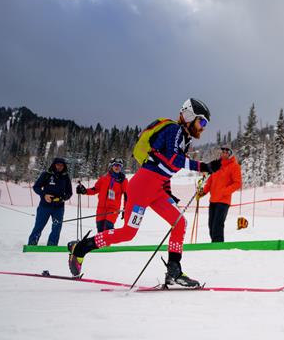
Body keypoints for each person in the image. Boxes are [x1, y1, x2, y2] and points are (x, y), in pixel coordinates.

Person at [67, 98, 222, 287]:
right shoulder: (175, 130)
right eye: (202, 121)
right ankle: (81, 248)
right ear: (189, 116)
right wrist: (203, 166)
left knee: (179, 223)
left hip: (155, 190)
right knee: (128, 233)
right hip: (141, 188)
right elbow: (173, 159)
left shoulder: (183, 138)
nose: (204, 127)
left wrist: (168, 191)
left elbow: (165, 167)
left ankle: (174, 271)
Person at [198, 146, 242, 242]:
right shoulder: (217, 165)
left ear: (231, 154)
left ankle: (218, 247)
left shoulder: (234, 166)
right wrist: (202, 192)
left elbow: (237, 183)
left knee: (217, 225)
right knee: (211, 225)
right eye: (223, 151)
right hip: (213, 200)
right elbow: (210, 182)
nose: (224, 153)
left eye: (227, 151)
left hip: (223, 201)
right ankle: (215, 245)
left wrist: (225, 191)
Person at [28, 157, 72, 246]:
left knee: (57, 227)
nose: (59, 167)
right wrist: (44, 195)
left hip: (58, 208)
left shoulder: (66, 177)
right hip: (44, 206)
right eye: (58, 164)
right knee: (39, 226)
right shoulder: (46, 174)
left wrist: (63, 198)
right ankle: (32, 243)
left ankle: (52, 244)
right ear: (54, 165)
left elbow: (69, 193)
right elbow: (36, 187)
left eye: (62, 165)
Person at [76, 158, 129, 232]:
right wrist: (84, 191)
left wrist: (125, 209)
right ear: (111, 166)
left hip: (113, 209)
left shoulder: (123, 180)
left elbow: (127, 196)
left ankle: (107, 243)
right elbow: (95, 189)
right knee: (100, 229)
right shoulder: (103, 178)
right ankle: (101, 243)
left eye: (119, 166)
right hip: (101, 208)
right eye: (116, 165)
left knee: (108, 227)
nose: (117, 167)